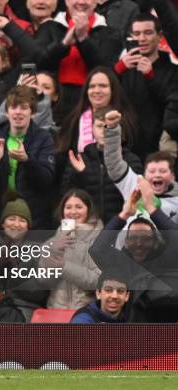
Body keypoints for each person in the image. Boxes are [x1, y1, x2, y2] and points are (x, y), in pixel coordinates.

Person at [0, 85, 56, 229]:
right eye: (14, 107)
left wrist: (27, 160)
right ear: (7, 111)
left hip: (33, 217)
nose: (18, 112)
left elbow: (46, 180)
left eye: (24, 108)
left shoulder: (44, 138)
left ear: (32, 113)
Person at [116, 14, 178, 159]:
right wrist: (117, 70)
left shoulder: (173, 70)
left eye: (148, 33)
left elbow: (172, 103)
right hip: (128, 148)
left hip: (161, 150)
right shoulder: (124, 68)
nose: (142, 39)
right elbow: (104, 91)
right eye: (136, 34)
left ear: (159, 36)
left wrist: (151, 77)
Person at [103, 110, 178, 224]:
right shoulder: (134, 185)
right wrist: (112, 129)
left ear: (172, 176)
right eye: (152, 171)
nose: (157, 174)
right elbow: (114, 163)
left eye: (162, 171)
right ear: (145, 174)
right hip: (128, 241)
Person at [41, 189, 103, 310]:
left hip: (87, 312)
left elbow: (99, 281)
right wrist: (54, 251)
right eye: (68, 207)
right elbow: (43, 281)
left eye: (79, 207)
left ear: (89, 210)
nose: (73, 212)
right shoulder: (51, 243)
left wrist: (65, 268)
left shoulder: (100, 241)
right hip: (56, 311)